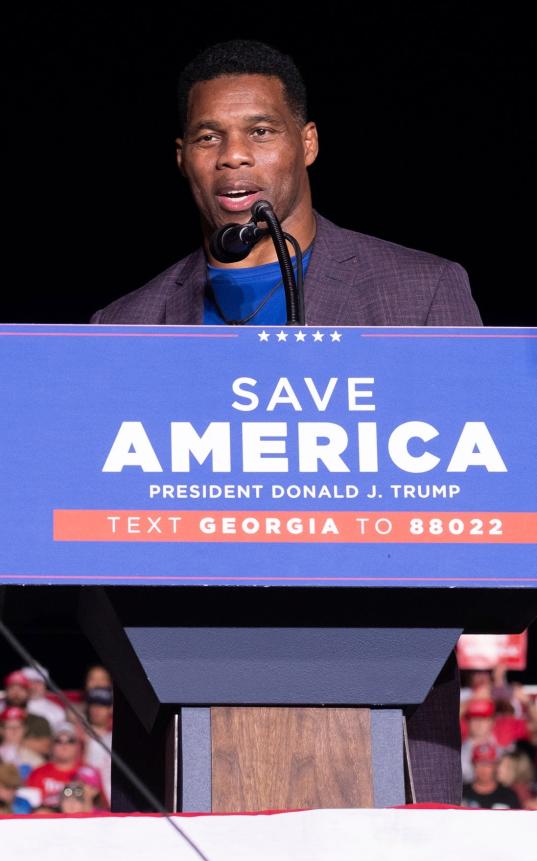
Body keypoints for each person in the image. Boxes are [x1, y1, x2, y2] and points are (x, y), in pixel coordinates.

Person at [90, 40, 480, 809]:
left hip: (381, 717)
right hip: (176, 730)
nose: (233, 158)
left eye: (259, 132)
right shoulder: (123, 326)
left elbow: (476, 491)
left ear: (305, 142)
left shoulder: (422, 295)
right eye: (209, 138)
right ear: (182, 157)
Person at [461, 744, 521, 810]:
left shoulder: (508, 795)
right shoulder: (462, 793)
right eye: (479, 763)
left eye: (488, 764)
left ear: (495, 766)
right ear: (473, 765)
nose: (483, 769)